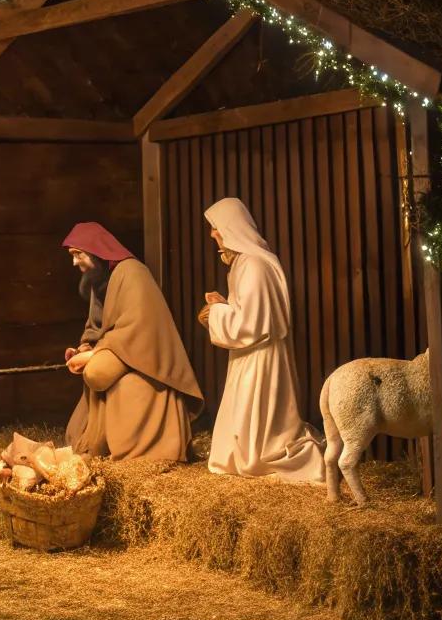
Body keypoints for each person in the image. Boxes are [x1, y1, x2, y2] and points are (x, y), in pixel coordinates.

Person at [199, 197, 324, 485]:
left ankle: (298, 460)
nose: (212, 234)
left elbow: (252, 325)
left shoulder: (254, 264)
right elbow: (252, 313)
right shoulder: (246, 263)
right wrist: (222, 305)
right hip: (252, 357)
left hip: (261, 359)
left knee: (262, 436)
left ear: (231, 228)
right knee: (246, 427)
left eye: (216, 228)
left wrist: (216, 313)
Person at [62, 221, 203, 462]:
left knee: (97, 372)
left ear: (96, 251)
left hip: (139, 350)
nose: (74, 262)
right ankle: (97, 441)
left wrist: (95, 354)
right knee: (93, 371)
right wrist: (84, 347)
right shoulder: (98, 279)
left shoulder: (132, 272)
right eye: (72, 256)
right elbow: (96, 326)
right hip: (117, 347)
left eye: (78, 255)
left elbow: (139, 326)